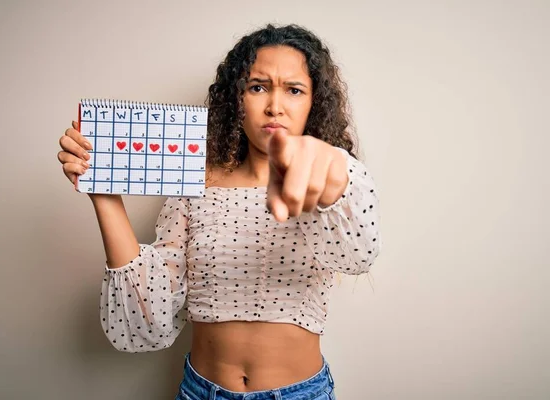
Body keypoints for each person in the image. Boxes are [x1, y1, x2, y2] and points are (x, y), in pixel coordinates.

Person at [57, 23, 381, 400]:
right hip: (201, 392)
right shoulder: (195, 186)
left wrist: (334, 172)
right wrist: (103, 190)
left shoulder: (330, 182)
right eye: (257, 87)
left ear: (314, 103)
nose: (274, 105)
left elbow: (360, 255)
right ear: (236, 98)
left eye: (294, 90)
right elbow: (150, 319)